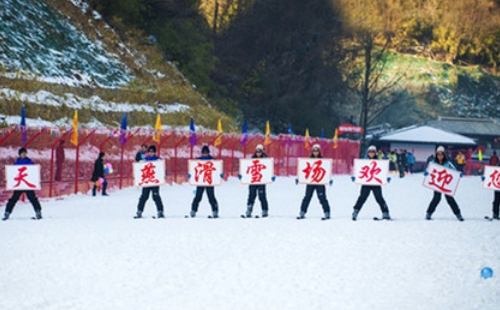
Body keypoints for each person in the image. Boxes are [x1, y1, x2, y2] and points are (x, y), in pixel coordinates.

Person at [351, 145, 391, 221]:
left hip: (375, 182)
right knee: (362, 197)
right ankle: (355, 211)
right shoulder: (364, 161)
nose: (371, 153)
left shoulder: (379, 161)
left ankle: (385, 212)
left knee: (379, 198)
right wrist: (356, 176)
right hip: (366, 182)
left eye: (373, 151)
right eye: (370, 151)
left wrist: (385, 177)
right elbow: (360, 169)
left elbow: (382, 170)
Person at [425, 146, 464, 221]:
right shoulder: (432, 162)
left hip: (446, 184)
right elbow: (428, 170)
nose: (440, 156)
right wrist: (426, 173)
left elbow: (454, 171)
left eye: (441, 154)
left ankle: (458, 214)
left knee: (450, 199)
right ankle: (429, 213)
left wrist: (459, 174)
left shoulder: (448, 163)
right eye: (438, 154)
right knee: (436, 198)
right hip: (437, 184)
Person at [2, 148, 42, 220]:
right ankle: (7, 212)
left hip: (27, 185)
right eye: (22, 153)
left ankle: (38, 211)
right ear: (19, 154)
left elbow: (33, 172)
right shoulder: (16, 163)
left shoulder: (30, 162)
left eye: (25, 153)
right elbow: (13, 173)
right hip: (19, 185)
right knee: (14, 199)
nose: (23, 155)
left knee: (32, 198)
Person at [297, 144, 331, 219]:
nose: (315, 152)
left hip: (320, 182)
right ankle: (302, 212)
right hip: (311, 182)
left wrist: (328, 179)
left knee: (322, 198)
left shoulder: (323, 160)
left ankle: (327, 212)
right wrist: (299, 178)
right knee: (307, 197)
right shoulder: (309, 160)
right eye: (314, 151)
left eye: (317, 151)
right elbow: (304, 169)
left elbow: (326, 170)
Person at [134, 145, 165, 219]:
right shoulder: (144, 161)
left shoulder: (158, 160)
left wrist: (163, 174)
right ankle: (139, 211)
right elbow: (139, 166)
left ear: (154, 152)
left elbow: (162, 170)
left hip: (155, 182)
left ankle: (160, 211)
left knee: (156, 196)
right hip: (146, 182)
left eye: (152, 152)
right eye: (149, 152)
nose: (151, 153)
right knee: (144, 197)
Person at [189, 145, 219, 218]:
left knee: (211, 196)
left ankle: (215, 211)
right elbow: (194, 169)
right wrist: (190, 175)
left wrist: (220, 174)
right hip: (200, 181)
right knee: (198, 196)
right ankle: (193, 210)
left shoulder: (213, 161)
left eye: (206, 153)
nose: (205, 154)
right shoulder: (198, 160)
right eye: (204, 153)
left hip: (209, 181)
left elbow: (217, 169)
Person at [242, 144, 270, 218]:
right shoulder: (252, 159)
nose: (258, 153)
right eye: (257, 151)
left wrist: (270, 176)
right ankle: (249, 209)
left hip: (261, 180)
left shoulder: (266, 160)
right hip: (253, 180)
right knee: (251, 195)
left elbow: (268, 169)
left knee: (262, 196)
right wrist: (243, 175)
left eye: (260, 151)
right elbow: (247, 168)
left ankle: (265, 210)